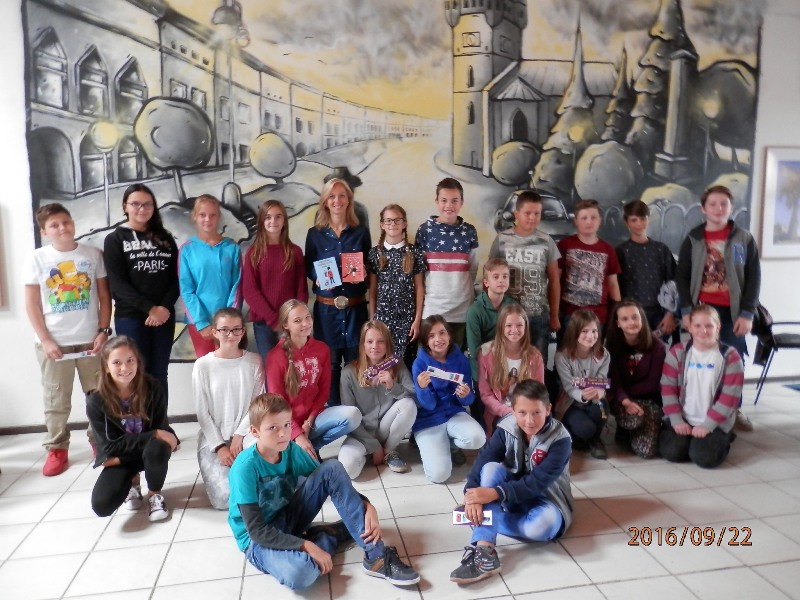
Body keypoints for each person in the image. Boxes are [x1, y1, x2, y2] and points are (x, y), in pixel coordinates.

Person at [227, 393, 420, 590]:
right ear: (255, 431)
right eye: (273, 428)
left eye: (286, 424)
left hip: (287, 518)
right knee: (301, 573)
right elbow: (257, 531)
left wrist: (366, 505)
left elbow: (330, 478)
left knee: (332, 467)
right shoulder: (245, 468)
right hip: (256, 540)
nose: (283, 434)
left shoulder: (290, 449)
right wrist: (306, 545)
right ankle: (328, 535)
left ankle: (377, 557)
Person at [449, 380, 573, 584]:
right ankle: (485, 551)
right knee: (490, 469)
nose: (529, 420)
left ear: (548, 409)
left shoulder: (560, 440)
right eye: (522, 413)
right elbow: (484, 460)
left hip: (546, 499)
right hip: (510, 496)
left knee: (545, 526)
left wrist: (492, 495)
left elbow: (537, 483)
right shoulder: (506, 427)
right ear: (513, 410)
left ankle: (484, 517)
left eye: (536, 413)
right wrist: (471, 495)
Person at [25, 203, 112, 476]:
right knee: (56, 399)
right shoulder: (37, 259)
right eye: (54, 225)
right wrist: (46, 340)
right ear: (44, 231)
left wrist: (103, 330)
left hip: (90, 341)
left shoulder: (92, 254)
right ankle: (57, 448)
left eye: (66, 222)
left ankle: (99, 441)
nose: (62, 228)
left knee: (99, 395)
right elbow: (31, 304)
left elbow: (104, 296)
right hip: (54, 343)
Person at [676, 185, 760, 432]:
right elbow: (682, 277)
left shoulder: (743, 239)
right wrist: (686, 311)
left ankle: (734, 409)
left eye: (723, 203)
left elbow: (753, 278)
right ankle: (693, 410)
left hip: (732, 313)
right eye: (712, 204)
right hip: (700, 311)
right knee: (696, 360)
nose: (718, 208)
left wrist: (747, 313)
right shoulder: (693, 238)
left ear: (731, 207)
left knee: (733, 360)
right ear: (703, 209)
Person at [87, 336, 178, 522]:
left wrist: (157, 435)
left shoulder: (153, 387)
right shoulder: (96, 400)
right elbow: (110, 446)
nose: (125, 368)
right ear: (106, 367)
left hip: (135, 455)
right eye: (117, 363)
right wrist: (155, 434)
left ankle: (154, 495)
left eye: (130, 360)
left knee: (157, 449)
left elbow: (162, 435)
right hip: (125, 456)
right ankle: (133, 483)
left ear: (138, 362)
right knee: (101, 505)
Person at [103, 184, 179, 399]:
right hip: (131, 317)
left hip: (164, 317)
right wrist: (150, 309)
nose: (142, 209)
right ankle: (138, 420)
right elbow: (118, 284)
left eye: (147, 204)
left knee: (159, 373)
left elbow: (176, 278)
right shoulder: (115, 239)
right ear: (125, 206)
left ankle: (160, 419)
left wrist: (163, 308)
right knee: (134, 374)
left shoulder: (165, 238)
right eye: (135, 204)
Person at [265, 300, 361, 461]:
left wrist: (309, 422)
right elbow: (277, 402)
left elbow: (324, 391)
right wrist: (297, 433)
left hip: (313, 418)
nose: (305, 323)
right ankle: (299, 448)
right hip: (285, 424)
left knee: (353, 415)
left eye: (307, 317)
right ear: (285, 325)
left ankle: (310, 447)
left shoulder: (322, 349)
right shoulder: (275, 356)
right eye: (297, 320)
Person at [305, 178, 371, 405]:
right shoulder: (314, 234)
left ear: (349, 200)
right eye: (332, 196)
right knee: (330, 366)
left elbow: (369, 266)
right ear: (325, 201)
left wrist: (364, 270)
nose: (337, 201)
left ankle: (355, 412)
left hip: (355, 309)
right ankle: (334, 412)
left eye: (342, 195)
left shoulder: (361, 233)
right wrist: (319, 277)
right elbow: (308, 266)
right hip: (327, 311)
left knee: (355, 364)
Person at [192, 308, 263, 509]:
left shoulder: (254, 361)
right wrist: (220, 446)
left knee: (260, 488)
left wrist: (239, 435)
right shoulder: (202, 365)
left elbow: (256, 404)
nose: (230, 335)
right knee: (224, 499)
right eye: (224, 330)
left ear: (243, 331)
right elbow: (202, 413)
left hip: (247, 432)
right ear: (214, 332)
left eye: (236, 329)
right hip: (214, 437)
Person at [660, 304, 743, 469]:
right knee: (672, 452)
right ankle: (691, 441)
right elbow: (668, 388)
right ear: (689, 327)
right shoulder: (676, 352)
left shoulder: (731, 357)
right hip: (684, 418)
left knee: (704, 458)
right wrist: (676, 420)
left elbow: (730, 399)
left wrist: (707, 425)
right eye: (697, 326)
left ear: (718, 327)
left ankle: (722, 438)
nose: (703, 331)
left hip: (714, 422)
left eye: (709, 326)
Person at [338, 320, 417, 478]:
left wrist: (392, 386)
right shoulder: (348, 372)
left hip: (386, 428)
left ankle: (389, 451)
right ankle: (369, 453)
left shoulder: (397, 364)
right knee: (348, 470)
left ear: (387, 344)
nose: (375, 346)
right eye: (370, 342)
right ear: (363, 344)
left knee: (408, 405)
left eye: (381, 341)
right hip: (361, 433)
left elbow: (414, 397)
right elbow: (349, 419)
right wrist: (373, 446)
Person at [412, 315, 485, 483]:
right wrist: (422, 389)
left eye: (442, 333)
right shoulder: (419, 363)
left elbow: (468, 401)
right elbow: (428, 405)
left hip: (453, 414)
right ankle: (431, 444)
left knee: (477, 438)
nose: (438, 339)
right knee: (439, 475)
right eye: (431, 336)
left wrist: (465, 395)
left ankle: (451, 444)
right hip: (428, 420)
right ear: (426, 341)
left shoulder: (461, 360)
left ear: (449, 335)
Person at [489, 190, 561, 359]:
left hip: (538, 316)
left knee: (537, 363)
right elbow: (491, 278)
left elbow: (554, 281)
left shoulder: (547, 241)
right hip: (508, 316)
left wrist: (554, 316)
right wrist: (492, 311)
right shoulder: (502, 240)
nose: (532, 218)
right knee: (508, 362)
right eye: (527, 213)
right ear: (516, 214)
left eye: (537, 213)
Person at [415, 178, 479, 349]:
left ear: (462, 202)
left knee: (458, 359)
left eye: (454, 200)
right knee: (429, 359)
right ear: (436, 201)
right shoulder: (425, 231)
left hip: (462, 311)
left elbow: (472, 269)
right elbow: (419, 273)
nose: (449, 205)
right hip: (432, 310)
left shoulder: (469, 231)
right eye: (444, 200)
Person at [242, 200, 308, 365]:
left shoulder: (294, 252)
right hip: (264, 324)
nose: (273, 221)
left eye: (278, 216)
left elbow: (301, 289)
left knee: (294, 367)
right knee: (271, 369)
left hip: (291, 323)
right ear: (261, 221)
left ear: (284, 220)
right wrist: (273, 319)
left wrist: (295, 318)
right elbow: (250, 291)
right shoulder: (253, 253)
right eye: (268, 217)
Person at [179, 194, 242, 358]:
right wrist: (201, 323)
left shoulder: (232, 248)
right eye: (202, 215)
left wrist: (229, 322)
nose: (207, 219)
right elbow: (186, 290)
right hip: (200, 323)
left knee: (229, 365)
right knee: (207, 366)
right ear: (194, 216)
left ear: (219, 217)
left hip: (228, 325)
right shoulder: (187, 250)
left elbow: (237, 286)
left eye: (212, 215)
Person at [606, 299, 666, 459]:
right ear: (618, 323)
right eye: (625, 319)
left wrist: (635, 400)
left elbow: (653, 384)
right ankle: (627, 429)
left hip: (650, 400)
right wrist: (626, 400)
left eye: (635, 317)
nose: (631, 322)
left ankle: (632, 432)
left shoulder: (658, 347)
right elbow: (614, 382)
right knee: (634, 420)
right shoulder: (611, 346)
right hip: (623, 399)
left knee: (646, 452)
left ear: (642, 319)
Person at [366, 203, 426, 362]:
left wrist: (417, 320)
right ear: (382, 225)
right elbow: (373, 289)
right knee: (383, 362)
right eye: (388, 220)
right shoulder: (375, 253)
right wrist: (372, 319)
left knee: (405, 363)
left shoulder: (414, 252)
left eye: (397, 220)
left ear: (404, 223)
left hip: (407, 320)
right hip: (382, 319)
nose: (392, 224)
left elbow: (420, 287)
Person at [477, 304, 545, 436]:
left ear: (525, 327)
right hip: (499, 412)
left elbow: (539, 391)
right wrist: (506, 411)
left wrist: (527, 412)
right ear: (501, 327)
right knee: (514, 430)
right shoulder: (486, 353)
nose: (514, 330)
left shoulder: (535, 355)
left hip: (527, 411)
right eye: (508, 325)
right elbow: (485, 394)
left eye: (519, 325)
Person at [616, 200, 677, 339]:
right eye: (634, 220)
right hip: (630, 315)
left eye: (643, 219)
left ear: (648, 219)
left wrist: (670, 313)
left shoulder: (661, 250)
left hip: (659, 314)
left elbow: (673, 282)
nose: (639, 224)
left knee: (658, 350)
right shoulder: (620, 252)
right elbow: (616, 287)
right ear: (626, 222)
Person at [554, 309, 610, 459]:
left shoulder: (604, 354)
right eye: (584, 331)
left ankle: (595, 440)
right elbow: (568, 386)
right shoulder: (562, 356)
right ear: (574, 332)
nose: (590, 336)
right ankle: (576, 434)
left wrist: (600, 391)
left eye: (594, 331)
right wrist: (582, 395)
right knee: (585, 429)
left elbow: (602, 380)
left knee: (602, 411)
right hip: (570, 403)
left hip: (594, 400)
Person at [557, 199, 621, 329]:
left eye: (593, 217)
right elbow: (555, 280)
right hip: (569, 314)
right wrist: (554, 311)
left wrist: (618, 313)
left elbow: (613, 285)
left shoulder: (608, 249)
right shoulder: (564, 245)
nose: (589, 221)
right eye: (584, 218)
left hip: (598, 316)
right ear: (576, 221)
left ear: (600, 220)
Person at [465, 258, 518, 389]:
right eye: (496, 277)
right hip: (483, 372)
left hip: (508, 369)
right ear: (486, 282)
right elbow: (475, 350)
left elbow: (518, 341)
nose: (501, 280)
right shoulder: (474, 311)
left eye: (505, 276)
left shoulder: (514, 306)